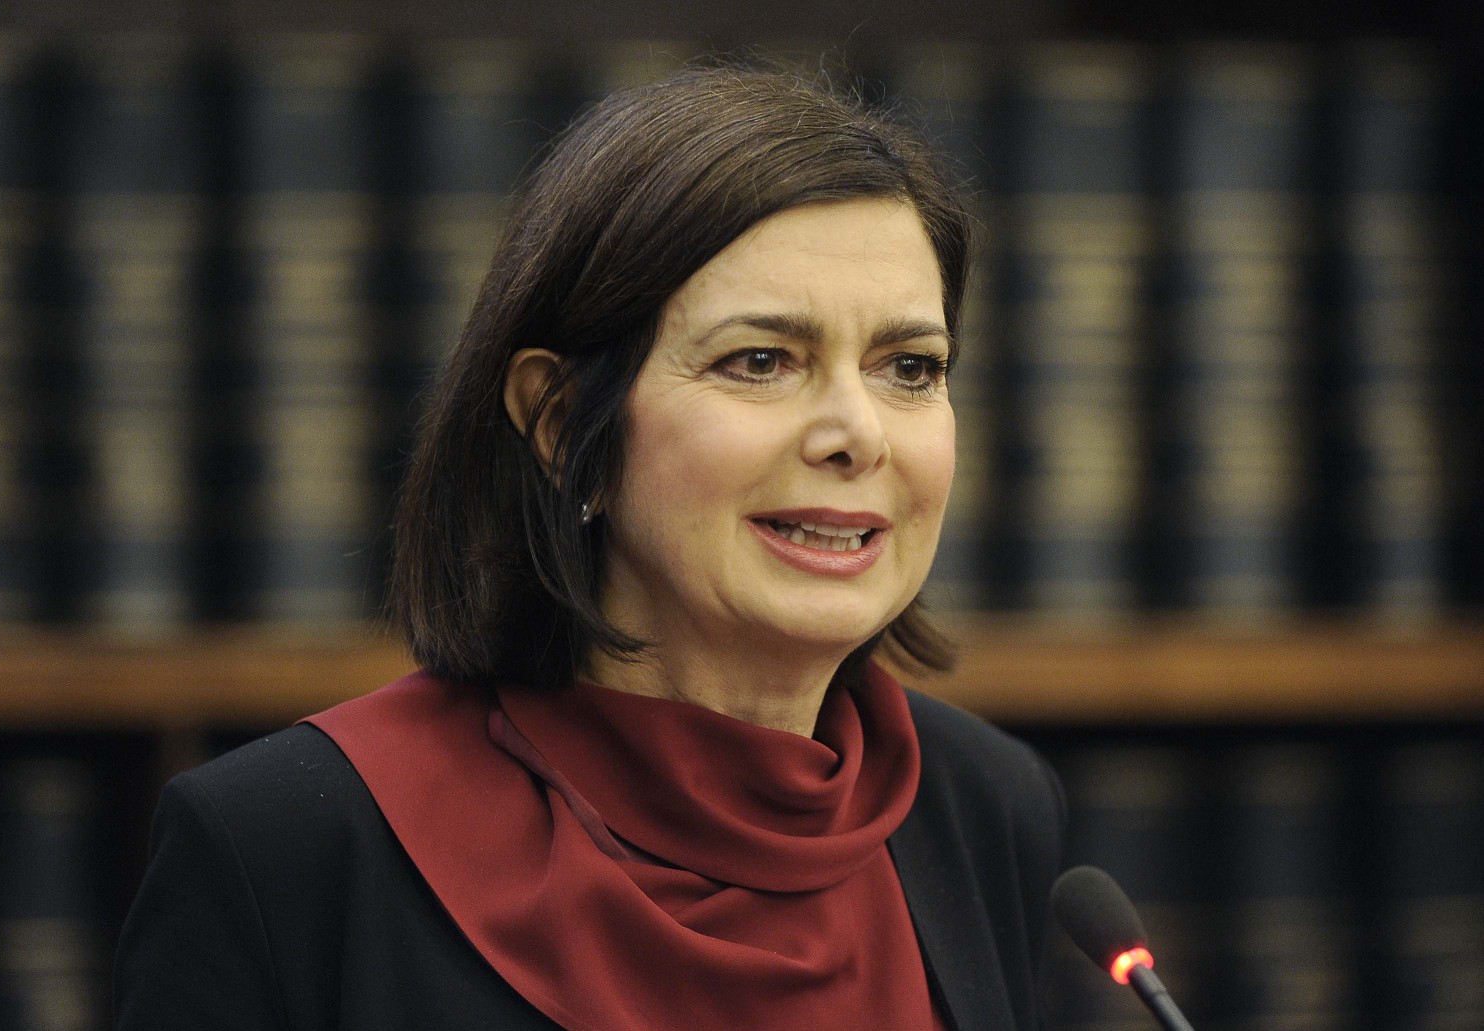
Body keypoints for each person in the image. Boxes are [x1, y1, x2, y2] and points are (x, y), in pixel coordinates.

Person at [114, 63, 1066, 1030]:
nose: (857, 434)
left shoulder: (982, 806)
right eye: (761, 361)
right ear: (563, 423)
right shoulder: (284, 845)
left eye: (911, 368)